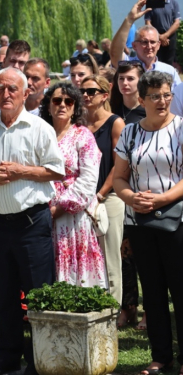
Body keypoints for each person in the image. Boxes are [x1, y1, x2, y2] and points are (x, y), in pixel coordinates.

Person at [0, 68, 64, 375]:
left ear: (27, 93)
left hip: (32, 223)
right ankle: (7, 356)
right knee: (4, 294)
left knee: (39, 295)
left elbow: (56, 170)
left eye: (12, 89)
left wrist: (20, 171)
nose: (6, 94)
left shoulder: (40, 128)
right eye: (0, 89)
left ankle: (41, 360)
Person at [113, 71, 183, 375]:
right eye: (155, 96)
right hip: (140, 223)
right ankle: (161, 356)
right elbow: (118, 178)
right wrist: (130, 198)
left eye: (166, 94)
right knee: (152, 292)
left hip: (178, 220)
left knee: (181, 291)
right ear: (142, 100)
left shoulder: (181, 128)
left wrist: (161, 199)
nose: (162, 101)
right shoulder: (129, 133)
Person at [40, 81, 105, 288]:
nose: (62, 105)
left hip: (73, 216)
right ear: (48, 105)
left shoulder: (83, 135)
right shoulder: (40, 134)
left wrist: (59, 208)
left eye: (68, 101)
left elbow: (88, 180)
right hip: (41, 211)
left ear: (75, 107)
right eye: (57, 100)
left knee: (76, 277)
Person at [81, 75, 126, 300]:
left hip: (108, 197)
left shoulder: (115, 122)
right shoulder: (78, 124)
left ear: (104, 95)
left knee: (109, 256)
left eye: (92, 91)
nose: (86, 95)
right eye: (83, 91)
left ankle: (113, 309)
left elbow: (119, 163)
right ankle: (92, 304)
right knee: (86, 255)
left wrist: (100, 194)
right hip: (81, 199)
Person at [109, 60, 147, 329]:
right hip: (119, 192)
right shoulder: (113, 111)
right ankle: (128, 307)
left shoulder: (146, 113)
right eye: (121, 78)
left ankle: (149, 311)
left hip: (142, 192)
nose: (125, 83)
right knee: (124, 254)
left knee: (143, 254)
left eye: (130, 78)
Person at [110, 0, 181, 89]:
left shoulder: (169, 71)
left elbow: (179, 98)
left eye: (152, 42)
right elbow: (114, 52)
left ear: (158, 45)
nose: (149, 46)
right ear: (134, 46)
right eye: (144, 42)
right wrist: (129, 19)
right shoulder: (128, 65)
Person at [145, 0, 180, 65]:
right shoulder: (151, 3)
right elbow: (148, 22)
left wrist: (165, 35)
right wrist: (159, 36)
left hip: (170, 36)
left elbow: (177, 23)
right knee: (155, 61)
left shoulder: (173, 3)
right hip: (155, 37)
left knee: (169, 61)